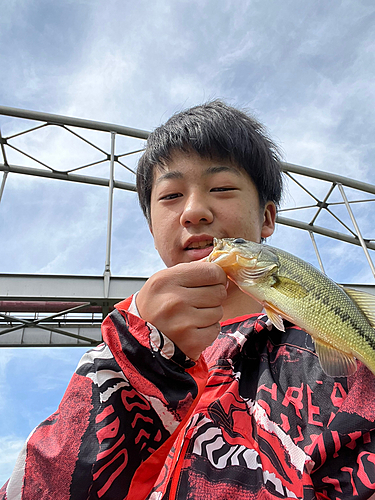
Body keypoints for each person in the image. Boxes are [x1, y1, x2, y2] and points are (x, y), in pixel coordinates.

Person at [2, 101, 375, 500]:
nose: (194, 211)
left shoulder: (335, 361)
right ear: (150, 225)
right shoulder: (119, 350)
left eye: (222, 189)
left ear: (267, 219)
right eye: (170, 196)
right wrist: (139, 354)